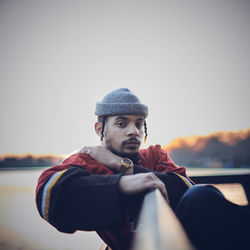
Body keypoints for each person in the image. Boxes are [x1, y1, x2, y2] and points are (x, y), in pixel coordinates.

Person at [35, 88, 250, 250]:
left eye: (139, 124)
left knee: (201, 196)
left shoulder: (153, 155)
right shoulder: (89, 160)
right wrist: (122, 185)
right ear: (99, 128)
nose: (134, 132)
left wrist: (124, 167)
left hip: (188, 242)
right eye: (122, 124)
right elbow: (48, 193)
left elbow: (187, 190)